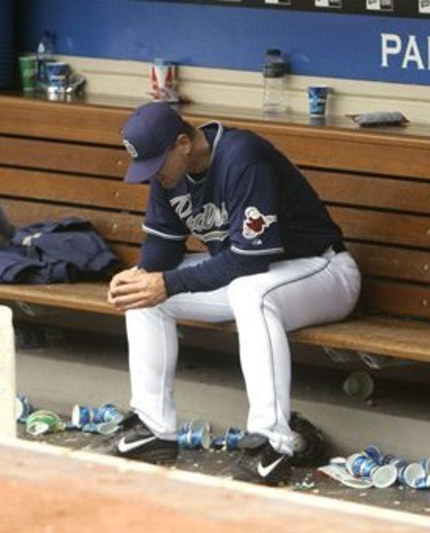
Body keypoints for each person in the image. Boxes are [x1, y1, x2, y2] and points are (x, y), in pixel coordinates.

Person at [105, 102, 360, 485]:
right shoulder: (169, 177)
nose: (153, 176)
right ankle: (153, 428)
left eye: (157, 163)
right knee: (142, 294)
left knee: (248, 293)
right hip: (259, 275)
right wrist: (140, 274)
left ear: (182, 143)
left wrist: (167, 282)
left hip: (322, 272)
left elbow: (249, 261)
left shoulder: (243, 157)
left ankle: (272, 444)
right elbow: (163, 250)